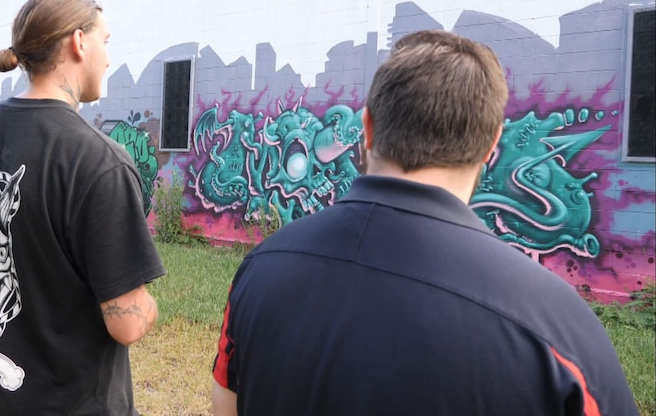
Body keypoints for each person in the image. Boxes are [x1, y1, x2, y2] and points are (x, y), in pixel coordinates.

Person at [211, 30, 638, 415]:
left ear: (368, 129)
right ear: (492, 144)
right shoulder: (553, 325)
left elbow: (225, 404)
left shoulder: (263, 268)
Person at [0, 0, 166, 415]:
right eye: (106, 41)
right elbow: (129, 323)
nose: (107, 58)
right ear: (78, 42)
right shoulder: (100, 162)